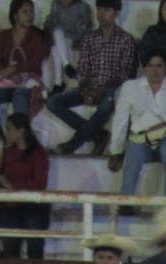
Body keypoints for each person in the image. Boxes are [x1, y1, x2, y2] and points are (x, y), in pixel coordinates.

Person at [46, 0, 138, 156]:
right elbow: (83, 70)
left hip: (112, 90)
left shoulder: (126, 39)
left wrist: (101, 90)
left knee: (107, 103)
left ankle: (71, 145)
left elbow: (126, 73)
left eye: (107, 10)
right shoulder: (90, 39)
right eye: (99, 9)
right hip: (90, 88)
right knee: (52, 102)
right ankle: (98, 135)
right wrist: (85, 90)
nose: (101, 14)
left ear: (116, 13)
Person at [108, 50, 166, 197]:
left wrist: (163, 127)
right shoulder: (130, 87)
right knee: (132, 160)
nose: (155, 71)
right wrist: (116, 150)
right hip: (140, 136)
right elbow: (120, 119)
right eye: (150, 66)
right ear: (144, 68)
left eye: (159, 66)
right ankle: (126, 202)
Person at [0, 112, 50, 264]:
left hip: (33, 208)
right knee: (11, 254)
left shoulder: (38, 154)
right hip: (11, 208)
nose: (6, 133)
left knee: (34, 252)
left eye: (9, 130)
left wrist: (11, 186)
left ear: (21, 131)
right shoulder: (8, 153)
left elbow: (39, 184)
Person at [0, 0, 50, 119]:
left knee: (20, 94)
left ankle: (22, 135)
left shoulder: (37, 37)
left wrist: (15, 70)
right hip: (5, 81)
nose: (30, 16)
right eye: (25, 12)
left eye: (32, 12)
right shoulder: (1, 37)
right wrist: (10, 75)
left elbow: (35, 64)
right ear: (15, 16)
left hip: (27, 83)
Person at [43, 0, 93, 89]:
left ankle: (58, 83)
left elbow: (88, 29)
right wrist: (48, 33)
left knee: (57, 40)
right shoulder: (56, 4)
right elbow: (49, 22)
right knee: (57, 33)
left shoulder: (83, 7)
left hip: (73, 41)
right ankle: (66, 67)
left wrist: (80, 41)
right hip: (60, 41)